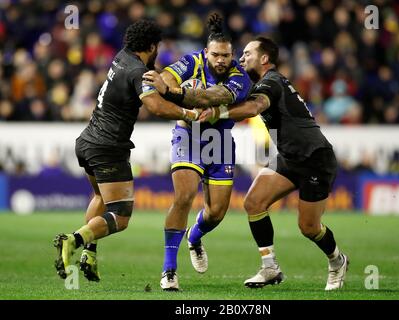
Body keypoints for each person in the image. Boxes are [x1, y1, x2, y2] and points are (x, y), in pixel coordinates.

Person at [53, 19, 200, 282]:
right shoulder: (136, 71)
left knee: (100, 197)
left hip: (87, 141)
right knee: (120, 216)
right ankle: (73, 241)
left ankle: (90, 252)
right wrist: (188, 113)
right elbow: (155, 106)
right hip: (108, 147)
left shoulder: (121, 58)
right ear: (152, 46)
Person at [199, 37, 349, 290]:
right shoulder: (265, 83)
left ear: (264, 59)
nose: (242, 58)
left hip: (314, 158)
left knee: (309, 227)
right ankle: (270, 268)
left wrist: (216, 111)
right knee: (253, 202)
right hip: (289, 157)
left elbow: (254, 107)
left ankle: (337, 260)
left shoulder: (271, 81)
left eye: (248, 53)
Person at [142, 13, 251, 291]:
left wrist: (174, 93)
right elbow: (167, 76)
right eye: (216, 55)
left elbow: (213, 97)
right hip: (188, 135)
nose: (221, 60)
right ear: (207, 52)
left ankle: (194, 236)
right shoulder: (192, 61)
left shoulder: (240, 77)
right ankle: (169, 270)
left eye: (226, 55)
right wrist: (166, 82)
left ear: (232, 55)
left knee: (216, 212)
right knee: (185, 197)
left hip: (220, 140)